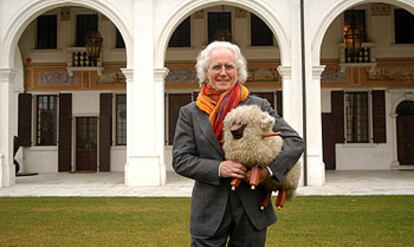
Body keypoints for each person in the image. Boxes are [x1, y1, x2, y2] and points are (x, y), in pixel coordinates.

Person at [172, 41, 304, 247]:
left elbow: (295, 142)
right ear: (206, 72)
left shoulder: (259, 106)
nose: (223, 72)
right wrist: (218, 168)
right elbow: (181, 160)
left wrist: (267, 171)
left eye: (229, 67)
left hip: (251, 208)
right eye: (216, 67)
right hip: (208, 211)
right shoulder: (190, 113)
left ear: (238, 71)